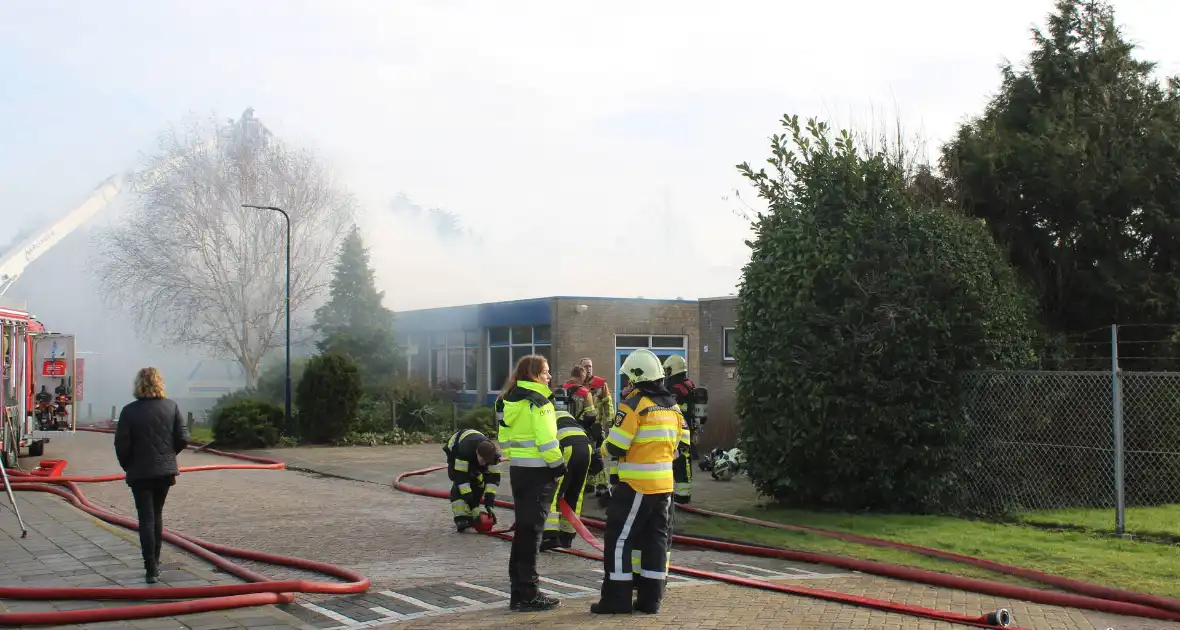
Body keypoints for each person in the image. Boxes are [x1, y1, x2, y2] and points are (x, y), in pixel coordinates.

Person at [591, 349, 689, 616]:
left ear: (636, 377)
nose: (627, 384)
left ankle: (617, 600)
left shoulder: (634, 405)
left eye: (628, 379)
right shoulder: (672, 405)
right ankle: (650, 601)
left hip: (636, 485)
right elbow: (682, 446)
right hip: (665, 486)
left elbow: (616, 446)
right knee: (657, 541)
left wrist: (598, 451)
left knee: (620, 539)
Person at [496, 354, 565, 612]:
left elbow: (504, 438)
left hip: (519, 472)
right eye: (546, 372)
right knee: (532, 535)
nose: (549, 376)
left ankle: (519, 592)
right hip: (539, 475)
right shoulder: (541, 402)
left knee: (523, 534)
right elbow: (547, 441)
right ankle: (528, 592)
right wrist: (559, 467)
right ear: (534, 374)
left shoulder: (508, 401)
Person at [113, 367, 190, 583]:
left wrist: (128, 464)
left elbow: (121, 444)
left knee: (145, 517)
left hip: (140, 472)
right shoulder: (171, 407)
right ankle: (156, 561)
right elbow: (183, 437)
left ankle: (150, 568)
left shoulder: (129, 411)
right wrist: (168, 455)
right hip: (164, 472)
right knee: (157, 515)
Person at [541, 408, 603, 551]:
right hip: (586, 447)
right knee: (575, 493)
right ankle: (567, 536)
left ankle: (550, 534)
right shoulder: (566, 416)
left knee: (554, 492)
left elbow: (545, 444)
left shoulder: (544, 416)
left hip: (567, 447)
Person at [442, 428, 502, 532]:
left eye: (486, 461)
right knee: (458, 480)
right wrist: (474, 506)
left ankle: (472, 514)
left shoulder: (494, 456)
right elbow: (462, 479)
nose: (484, 463)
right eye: (482, 460)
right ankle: (460, 518)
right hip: (455, 449)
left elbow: (493, 480)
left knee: (478, 481)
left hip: (473, 444)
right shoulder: (465, 452)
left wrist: (489, 504)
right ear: (477, 453)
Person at [663, 355, 697, 504]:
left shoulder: (675, 388)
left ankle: (683, 496)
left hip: (677, 428)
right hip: (687, 426)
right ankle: (683, 494)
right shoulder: (689, 384)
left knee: (680, 461)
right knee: (684, 459)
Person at [578, 357, 614, 497]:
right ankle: (589, 483)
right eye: (586, 366)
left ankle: (602, 484)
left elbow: (608, 403)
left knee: (597, 454)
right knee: (585, 455)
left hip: (596, 425)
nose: (588, 368)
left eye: (590, 366)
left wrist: (609, 422)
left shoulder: (599, 384)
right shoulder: (577, 384)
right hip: (581, 425)